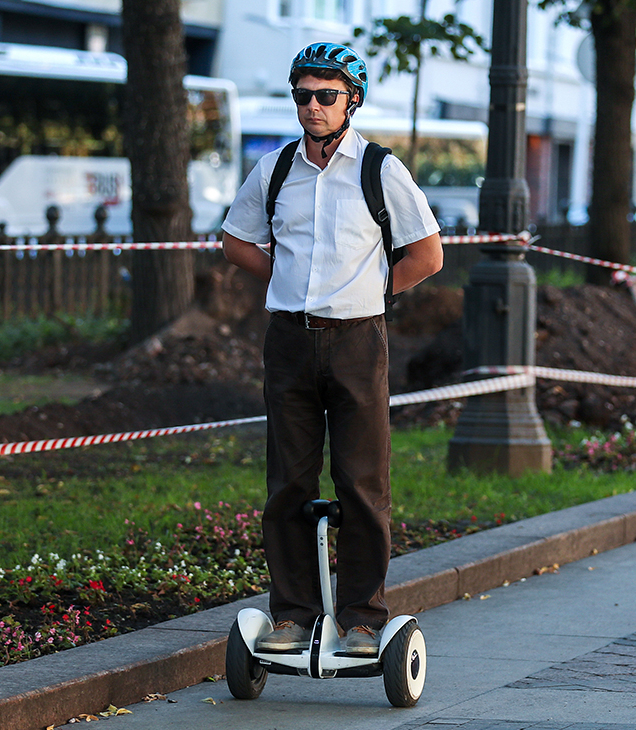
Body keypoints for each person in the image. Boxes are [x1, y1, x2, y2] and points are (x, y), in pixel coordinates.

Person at [220, 42, 443, 656]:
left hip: (357, 341)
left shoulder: (380, 170)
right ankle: (292, 615)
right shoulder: (273, 171)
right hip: (290, 340)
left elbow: (427, 254)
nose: (312, 107)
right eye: (302, 96)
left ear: (352, 100)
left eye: (326, 96)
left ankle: (363, 619)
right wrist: (285, 279)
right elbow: (236, 241)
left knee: (362, 483)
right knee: (287, 483)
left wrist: (372, 292)